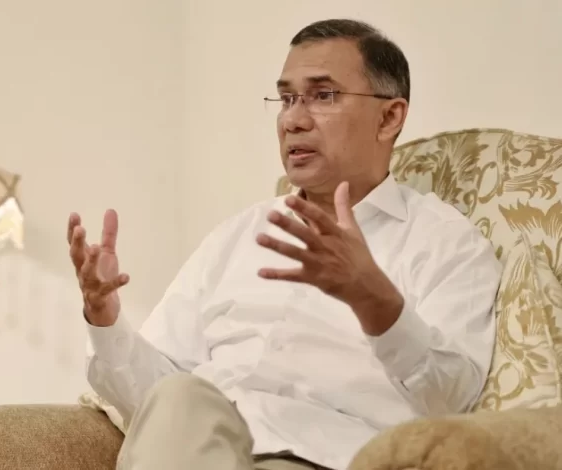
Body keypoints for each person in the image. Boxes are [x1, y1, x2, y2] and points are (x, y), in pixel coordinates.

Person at [66, 19, 502, 470]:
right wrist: (105, 319)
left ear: (389, 117)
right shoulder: (238, 235)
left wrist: (374, 300)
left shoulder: (444, 242)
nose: (293, 120)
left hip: (317, 459)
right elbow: (153, 400)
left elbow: (454, 401)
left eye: (323, 95)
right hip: (199, 451)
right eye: (288, 99)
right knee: (178, 396)